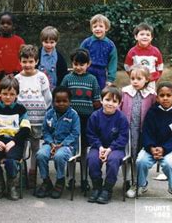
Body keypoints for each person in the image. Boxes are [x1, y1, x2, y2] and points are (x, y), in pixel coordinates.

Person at [126, 82, 172, 203]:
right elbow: (146, 132)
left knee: (170, 163)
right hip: (151, 148)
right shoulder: (152, 113)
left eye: (168, 95)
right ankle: (141, 185)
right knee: (141, 161)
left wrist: (164, 149)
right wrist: (151, 147)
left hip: (169, 149)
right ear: (157, 97)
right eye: (162, 95)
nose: (165, 98)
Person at [60, 48, 101, 192]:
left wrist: (97, 117)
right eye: (76, 64)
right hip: (70, 119)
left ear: (88, 64)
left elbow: (96, 101)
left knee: (84, 149)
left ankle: (84, 178)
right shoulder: (67, 78)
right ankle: (71, 178)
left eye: (82, 64)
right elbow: (61, 99)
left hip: (87, 119)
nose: (78, 67)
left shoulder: (92, 80)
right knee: (71, 148)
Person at [15, 44, 52, 188]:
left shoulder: (41, 77)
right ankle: (21, 172)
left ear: (36, 61)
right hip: (23, 122)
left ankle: (32, 172)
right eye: (24, 61)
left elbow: (47, 97)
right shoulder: (17, 79)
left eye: (31, 61)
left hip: (38, 121)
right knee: (22, 146)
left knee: (35, 147)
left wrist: (43, 111)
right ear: (20, 61)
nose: (28, 64)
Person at [35, 86, 80, 199]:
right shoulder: (49, 114)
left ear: (70, 101)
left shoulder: (73, 115)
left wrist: (62, 144)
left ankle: (60, 180)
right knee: (40, 154)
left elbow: (75, 133)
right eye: (58, 101)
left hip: (67, 146)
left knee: (59, 156)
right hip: (51, 144)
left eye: (64, 101)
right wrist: (50, 143)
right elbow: (45, 131)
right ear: (53, 101)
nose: (61, 104)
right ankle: (46, 181)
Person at [87, 86, 129, 204]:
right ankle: (97, 186)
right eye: (107, 100)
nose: (110, 103)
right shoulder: (95, 116)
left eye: (114, 101)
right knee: (92, 159)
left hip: (116, 148)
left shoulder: (122, 118)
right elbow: (91, 135)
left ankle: (107, 189)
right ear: (101, 100)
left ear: (119, 103)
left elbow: (123, 137)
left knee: (113, 160)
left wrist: (110, 149)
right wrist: (100, 147)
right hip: (98, 146)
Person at [120, 64, 157, 191]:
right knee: (127, 154)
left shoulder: (151, 94)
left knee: (139, 156)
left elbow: (154, 112)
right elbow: (119, 109)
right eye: (132, 78)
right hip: (128, 129)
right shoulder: (125, 92)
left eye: (139, 79)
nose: (135, 81)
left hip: (143, 130)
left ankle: (139, 181)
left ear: (146, 79)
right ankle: (126, 179)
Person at [80, 14, 117, 90]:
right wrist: (80, 69)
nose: (97, 29)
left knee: (100, 93)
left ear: (106, 28)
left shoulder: (110, 45)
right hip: (87, 71)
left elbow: (113, 62)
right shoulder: (87, 42)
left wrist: (110, 78)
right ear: (91, 29)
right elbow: (79, 56)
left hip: (101, 73)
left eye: (101, 26)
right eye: (95, 26)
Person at [124, 23, 164, 91]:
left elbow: (160, 67)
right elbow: (127, 67)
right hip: (137, 81)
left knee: (150, 98)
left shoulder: (155, 51)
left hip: (151, 81)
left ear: (151, 38)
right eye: (142, 34)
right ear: (136, 37)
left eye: (148, 35)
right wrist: (135, 77)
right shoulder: (132, 52)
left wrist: (153, 78)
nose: (145, 37)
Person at [0, 12, 25, 88]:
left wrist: (16, 73)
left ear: (14, 26)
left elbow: (22, 57)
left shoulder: (20, 41)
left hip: (17, 77)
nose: (5, 25)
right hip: (2, 78)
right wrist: (2, 74)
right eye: (2, 23)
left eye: (8, 23)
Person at [36, 26, 68, 91]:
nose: (49, 45)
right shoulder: (36, 54)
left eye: (52, 42)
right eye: (46, 42)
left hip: (53, 89)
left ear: (56, 42)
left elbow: (63, 74)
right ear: (41, 41)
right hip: (38, 89)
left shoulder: (59, 57)